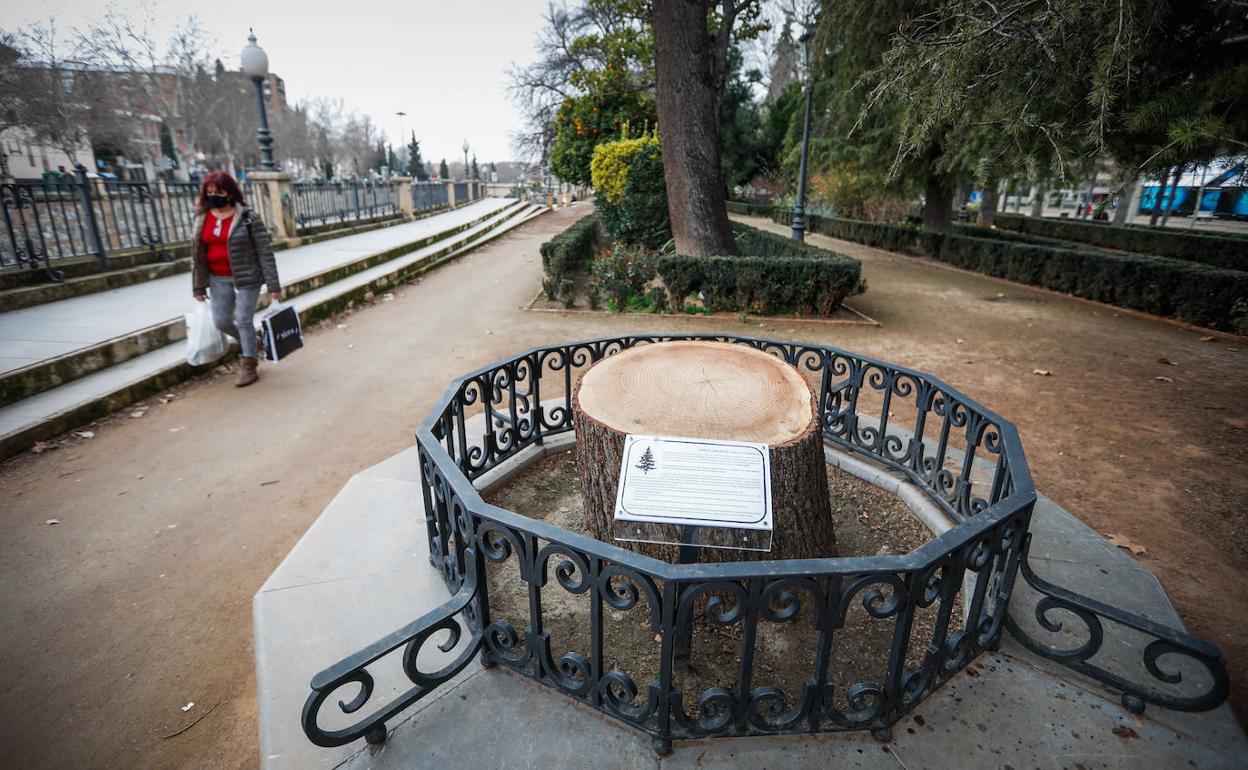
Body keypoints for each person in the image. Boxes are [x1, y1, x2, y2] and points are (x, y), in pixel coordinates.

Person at [191, 170, 282, 387]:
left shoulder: (248, 217)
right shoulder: (202, 218)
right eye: (210, 192)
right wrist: (198, 287)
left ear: (230, 192)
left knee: (243, 320)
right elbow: (197, 255)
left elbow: (264, 252)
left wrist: (273, 285)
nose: (214, 196)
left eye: (219, 191)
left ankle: (249, 364)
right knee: (221, 321)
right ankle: (251, 341)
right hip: (217, 278)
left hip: (247, 277)